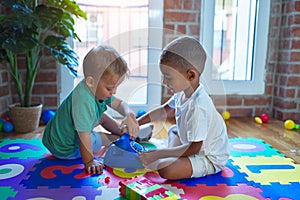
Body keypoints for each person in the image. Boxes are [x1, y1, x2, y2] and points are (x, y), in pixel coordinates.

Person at [138, 36, 229, 180]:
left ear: (190, 75)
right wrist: (137, 123)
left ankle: (173, 159)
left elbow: (194, 148)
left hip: (207, 157)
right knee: (174, 131)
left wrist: (160, 153)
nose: (164, 81)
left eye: (168, 77)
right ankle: (174, 157)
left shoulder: (198, 107)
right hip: (190, 144)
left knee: (165, 169)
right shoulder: (183, 93)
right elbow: (163, 110)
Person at [42, 45, 139, 175]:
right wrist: (89, 162)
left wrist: (129, 115)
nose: (113, 92)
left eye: (115, 88)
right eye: (110, 89)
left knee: (102, 117)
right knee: (103, 138)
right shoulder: (83, 101)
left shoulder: (96, 87)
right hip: (65, 148)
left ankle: (124, 133)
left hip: (58, 136)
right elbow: (83, 137)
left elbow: (119, 104)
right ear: (91, 82)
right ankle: (119, 138)